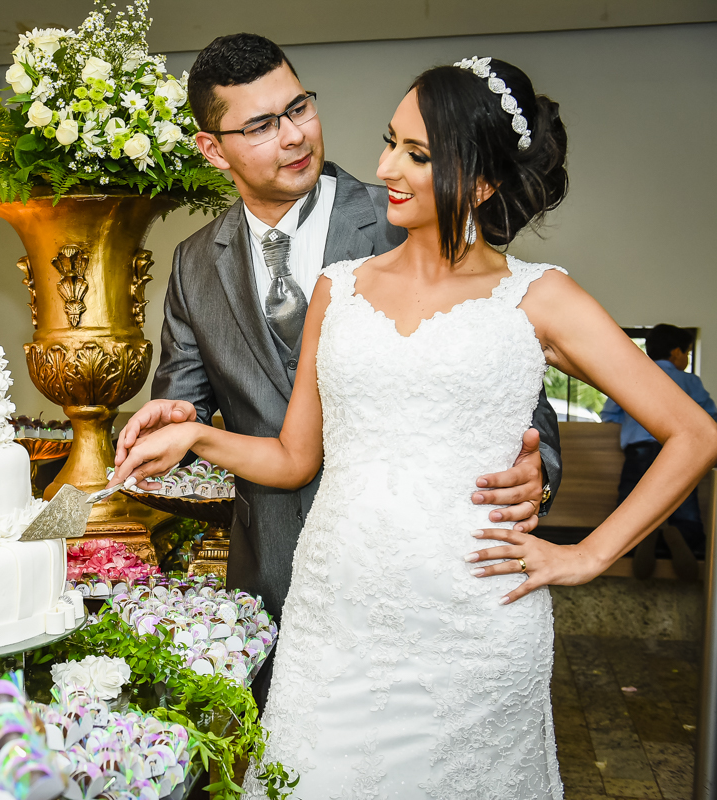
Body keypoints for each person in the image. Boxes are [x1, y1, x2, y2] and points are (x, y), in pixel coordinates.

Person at [111, 57, 717, 798]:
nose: (384, 166)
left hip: (474, 628)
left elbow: (695, 432)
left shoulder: (540, 300)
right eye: (390, 141)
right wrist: (197, 436)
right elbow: (294, 459)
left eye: (417, 155)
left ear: (484, 180)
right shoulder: (340, 289)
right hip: (333, 619)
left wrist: (587, 556)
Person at [113, 33, 561, 709]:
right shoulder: (194, 263)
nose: (293, 136)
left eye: (299, 108)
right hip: (269, 576)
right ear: (213, 149)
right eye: (262, 125)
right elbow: (187, 404)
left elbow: (504, 372)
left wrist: (539, 468)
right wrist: (178, 418)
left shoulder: (411, 211)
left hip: (417, 578)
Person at [602, 324, 717, 576]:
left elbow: (610, 416)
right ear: (676, 353)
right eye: (686, 353)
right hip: (682, 451)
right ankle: (682, 537)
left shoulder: (631, 376)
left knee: (630, 500)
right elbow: (710, 420)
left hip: (639, 449)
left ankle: (636, 537)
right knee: (684, 502)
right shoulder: (689, 381)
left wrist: (635, 425)